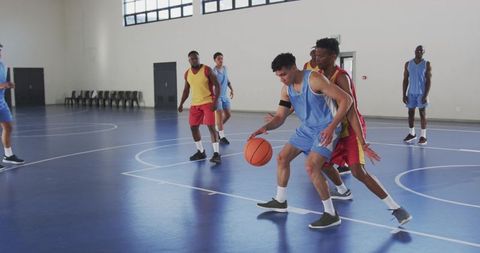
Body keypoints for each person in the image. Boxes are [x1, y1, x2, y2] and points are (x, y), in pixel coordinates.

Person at [315, 38, 412, 225]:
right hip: (332, 130)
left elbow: (351, 110)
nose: (317, 58)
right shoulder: (318, 76)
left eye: (321, 55)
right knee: (320, 163)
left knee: (358, 172)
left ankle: (396, 208)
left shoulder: (341, 77)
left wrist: (362, 141)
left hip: (349, 129)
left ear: (333, 56)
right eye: (316, 54)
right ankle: (342, 190)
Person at [251, 52, 353, 229]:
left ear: (293, 68)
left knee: (312, 166)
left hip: (327, 127)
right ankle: (280, 200)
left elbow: (346, 99)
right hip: (307, 129)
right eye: (278, 76)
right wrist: (266, 127)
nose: (281, 79)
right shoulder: (286, 90)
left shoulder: (315, 79)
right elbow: (280, 117)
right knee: (283, 158)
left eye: (283, 74)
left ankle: (331, 214)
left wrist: (331, 127)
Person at [178, 51, 221, 164]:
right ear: (189, 60)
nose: (194, 60)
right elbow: (186, 90)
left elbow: (217, 85)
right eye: (192, 59)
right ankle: (201, 151)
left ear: (199, 58)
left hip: (208, 102)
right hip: (195, 104)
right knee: (193, 127)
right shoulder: (187, 73)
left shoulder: (207, 70)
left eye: (196, 58)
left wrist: (216, 101)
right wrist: (181, 103)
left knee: (211, 128)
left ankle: (216, 154)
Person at [0, 43, 25, 168]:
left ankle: (8, 155)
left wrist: (9, 84)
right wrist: (3, 85)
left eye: (0, 49)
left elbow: (3, 83)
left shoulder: (3, 65)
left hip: (1, 102)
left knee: (8, 127)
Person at [402, 45, 431, 145]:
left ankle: (423, 136)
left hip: (421, 93)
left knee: (422, 113)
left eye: (421, 50)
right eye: (417, 50)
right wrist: (404, 94)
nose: (418, 52)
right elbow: (405, 80)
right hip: (411, 93)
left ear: (423, 52)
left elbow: (428, 81)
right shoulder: (408, 64)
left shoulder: (426, 64)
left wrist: (426, 95)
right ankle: (412, 134)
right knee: (410, 113)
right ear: (414, 51)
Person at [212, 52, 234, 145]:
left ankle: (218, 129)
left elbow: (227, 80)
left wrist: (232, 89)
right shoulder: (214, 72)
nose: (221, 60)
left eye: (222, 58)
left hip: (224, 96)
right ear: (215, 60)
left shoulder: (225, 68)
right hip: (217, 97)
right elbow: (212, 85)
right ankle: (222, 136)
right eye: (218, 59)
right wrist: (214, 98)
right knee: (219, 118)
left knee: (228, 115)